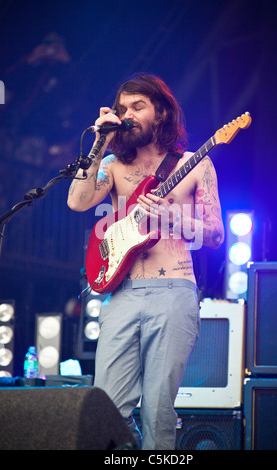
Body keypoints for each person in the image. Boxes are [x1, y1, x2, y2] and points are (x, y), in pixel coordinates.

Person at [67, 73, 224, 449]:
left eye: (138, 106)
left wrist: (173, 219)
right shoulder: (113, 165)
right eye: (123, 108)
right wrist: (99, 141)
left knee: (158, 412)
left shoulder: (194, 164)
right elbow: (77, 200)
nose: (128, 114)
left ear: (163, 113)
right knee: (106, 409)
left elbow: (216, 234)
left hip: (173, 291)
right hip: (121, 293)